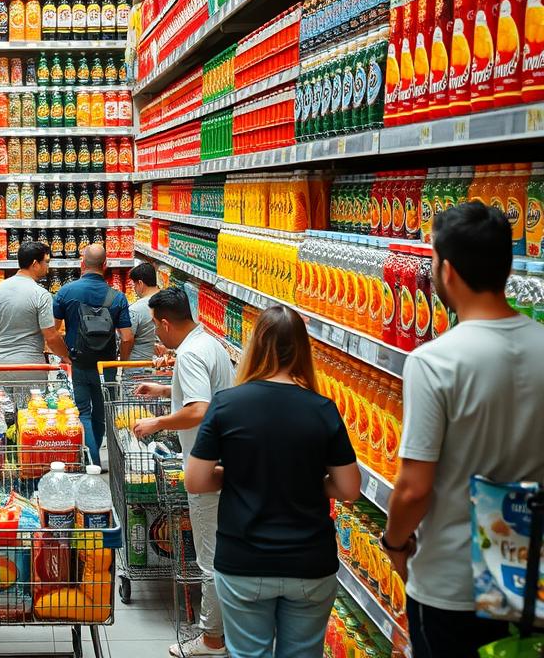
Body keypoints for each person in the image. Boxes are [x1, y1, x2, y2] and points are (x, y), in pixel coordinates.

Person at [382, 202, 544, 658]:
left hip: (452, 582)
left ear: (446, 271)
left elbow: (414, 488)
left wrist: (394, 542)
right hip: (528, 575)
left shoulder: (435, 361)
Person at [186, 305, 360, 658]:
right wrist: (306, 479)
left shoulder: (227, 405)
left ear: (255, 345)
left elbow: (196, 480)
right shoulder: (322, 408)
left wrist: (239, 474)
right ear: (302, 348)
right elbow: (349, 489)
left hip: (244, 559)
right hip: (309, 562)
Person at [133, 286, 235, 657]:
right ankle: (221, 630)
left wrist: (157, 423)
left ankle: (210, 641)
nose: (156, 335)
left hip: (208, 468)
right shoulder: (208, 343)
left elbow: (199, 409)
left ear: (164, 322)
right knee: (223, 550)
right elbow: (206, 394)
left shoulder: (190, 354)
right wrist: (164, 389)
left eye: (156, 328)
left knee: (209, 558)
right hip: (227, 460)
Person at [52, 243, 133, 465]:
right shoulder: (117, 297)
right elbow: (127, 337)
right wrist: (120, 364)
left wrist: (64, 354)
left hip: (78, 362)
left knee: (82, 412)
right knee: (101, 413)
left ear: (82, 264)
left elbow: (52, 332)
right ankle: (96, 456)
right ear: (105, 265)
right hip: (105, 366)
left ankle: (91, 460)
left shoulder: (66, 292)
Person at [0, 241, 70, 366]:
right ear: (35, 264)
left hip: (1, 363)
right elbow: (51, 337)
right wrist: (66, 356)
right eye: (46, 262)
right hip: (31, 365)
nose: (48, 267)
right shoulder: (41, 294)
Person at [127, 261, 159, 361]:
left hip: (138, 364)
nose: (134, 289)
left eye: (134, 285)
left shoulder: (135, 309)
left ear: (140, 283)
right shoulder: (168, 300)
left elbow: (127, 339)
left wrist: (123, 361)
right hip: (162, 363)